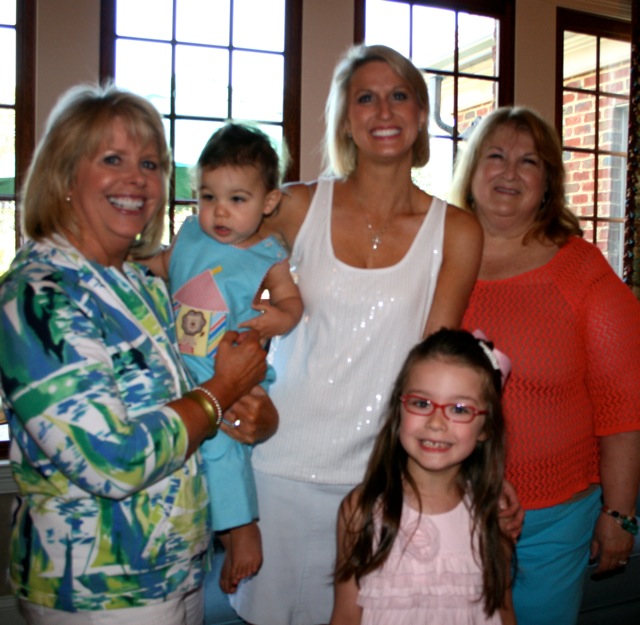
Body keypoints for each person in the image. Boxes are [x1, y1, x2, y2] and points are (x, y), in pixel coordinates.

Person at [0, 83, 278, 625]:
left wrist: (256, 416)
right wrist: (222, 390)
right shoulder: (37, 295)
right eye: (113, 159)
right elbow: (114, 459)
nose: (137, 178)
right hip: (98, 591)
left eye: (150, 163)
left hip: (179, 569)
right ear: (64, 175)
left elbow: (192, 409)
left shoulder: (143, 287)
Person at [230, 43, 488, 625]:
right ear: (345, 119)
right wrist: (237, 385)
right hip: (278, 463)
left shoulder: (457, 231)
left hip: (379, 479)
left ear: (420, 114)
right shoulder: (294, 206)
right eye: (365, 98)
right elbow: (218, 285)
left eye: (399, 96)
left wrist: (479, 476)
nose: (384, 111)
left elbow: (439, 373)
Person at [452, 105, 640, 625]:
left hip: (555, 518)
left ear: (548, 184)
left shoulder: (581, 270)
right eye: (495, 156)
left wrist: (620, 513)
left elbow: (622, 404)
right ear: (472, 172)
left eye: (529, 161)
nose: (509, 172)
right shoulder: (438, 258)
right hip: (453, 505)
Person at [141, 122, 303, 595]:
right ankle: (211, 530)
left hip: (229, 369)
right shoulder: (190, 233)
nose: (220, 211)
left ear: (268, 202)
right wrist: (132, 263)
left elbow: (292, 304)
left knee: (222, 445)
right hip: (180, 367)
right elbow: (166, 265)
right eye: (208, 197)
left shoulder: (268, 256)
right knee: (185, 447)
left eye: (237, 199)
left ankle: (241, 529)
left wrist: (275, 320)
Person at [329, 328, 515, 625]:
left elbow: (502, 609)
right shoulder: (361, 509)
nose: (436, 423)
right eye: (421, 403)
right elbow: (346, 615)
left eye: (459, 409)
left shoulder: (493, 512)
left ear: (486, 427)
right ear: (399, 409)